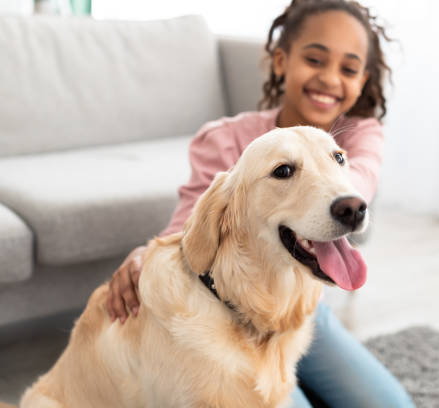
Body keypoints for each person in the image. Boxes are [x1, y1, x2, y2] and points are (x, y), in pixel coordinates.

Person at [106, 1, 414, 406]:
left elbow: (359, 182)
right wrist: (149, 255)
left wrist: (330, 187)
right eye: (315, 59)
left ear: (362, 81)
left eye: (348, 68)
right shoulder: (227, 139)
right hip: (226, 317)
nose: (329, 78)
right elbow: (191, 223)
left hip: (306, 313)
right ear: (282, 61)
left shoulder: (359, 133)